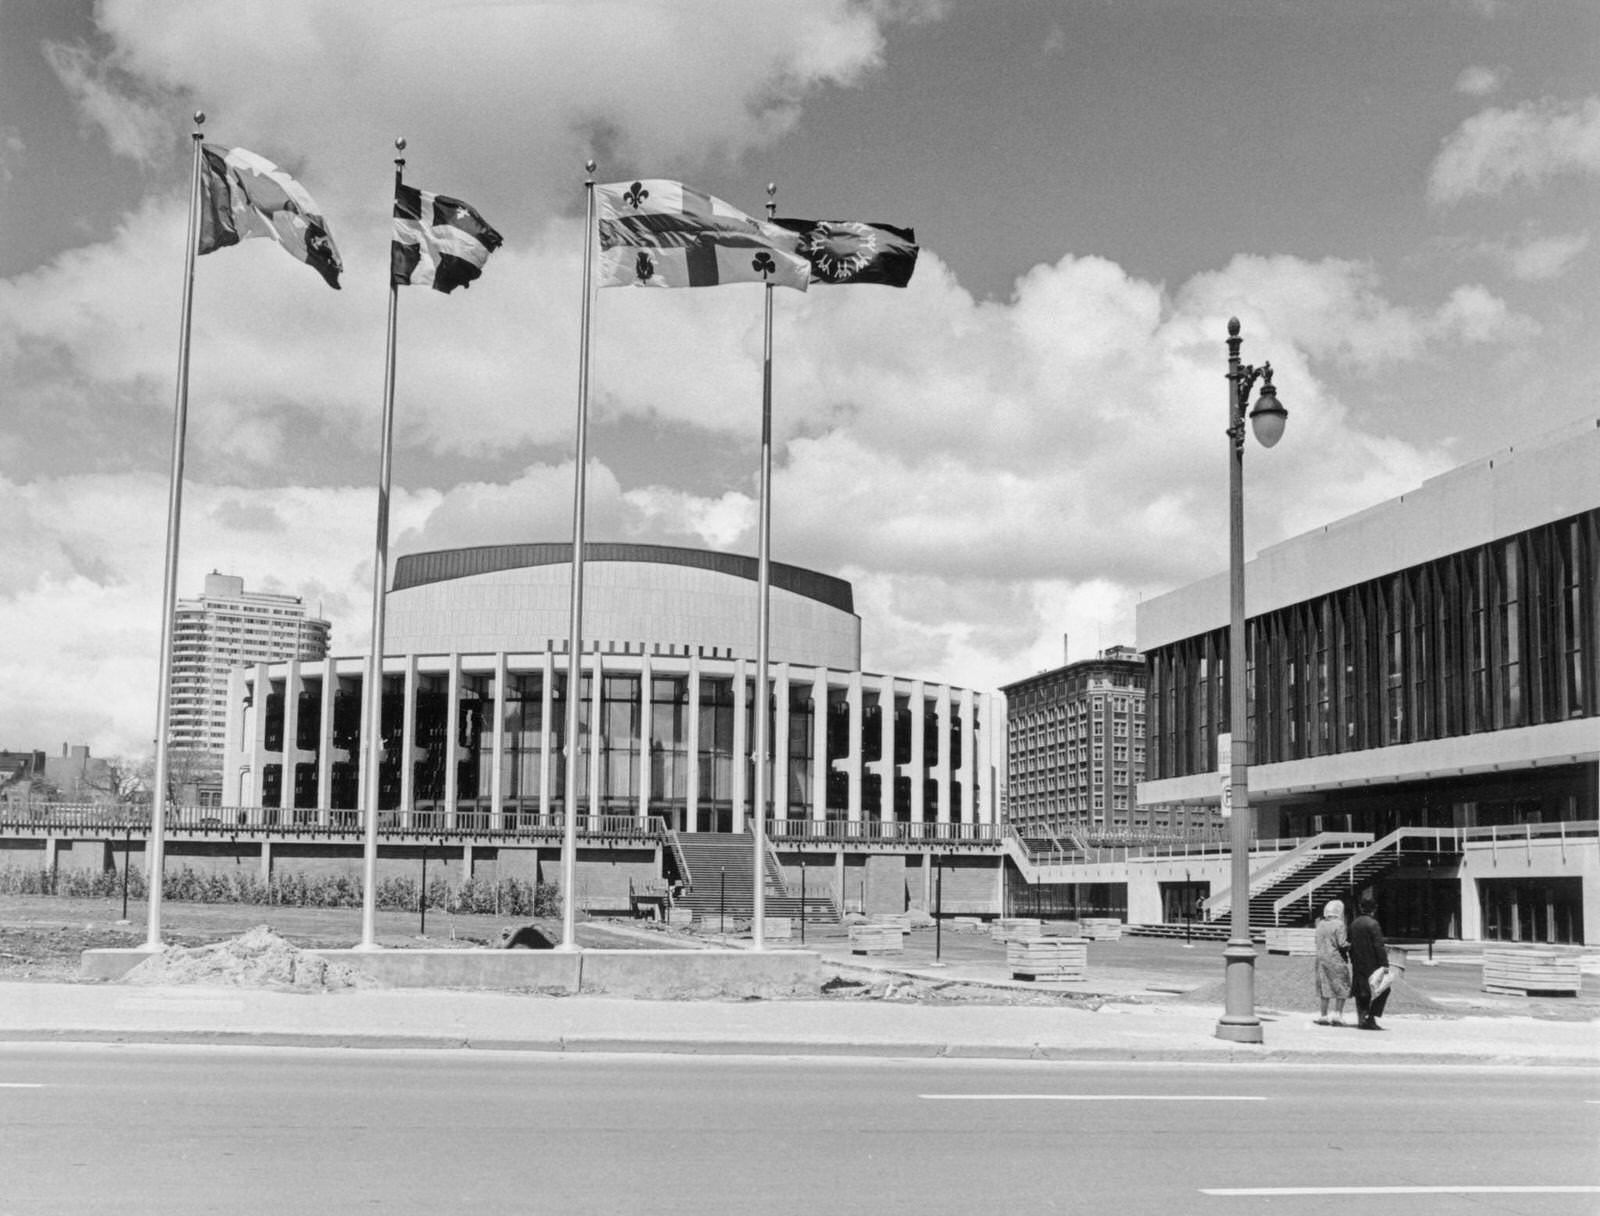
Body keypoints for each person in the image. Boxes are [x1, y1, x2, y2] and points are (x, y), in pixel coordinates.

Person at [1349, 889, 1390, 1030]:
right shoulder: (1373, 924)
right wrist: (1385, 964)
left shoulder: (1354, 923)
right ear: (1374, 909)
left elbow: (1350, 944)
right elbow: (1379, 946)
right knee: (1382, 989)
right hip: (1373, 963)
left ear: (1361, 908)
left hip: (1357, 963)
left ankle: (1361, 1017)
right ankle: (1371, 1017)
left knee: (1361, 991)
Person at [1312, 899, 1351, 1025]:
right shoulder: (1339, 924)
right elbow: (1342, 943)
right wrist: (1352, 945)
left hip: (1321, 959)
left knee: (1324, 986)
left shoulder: (1320, 924)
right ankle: (1337, 1014)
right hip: (1336, 959)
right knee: (1341, 986)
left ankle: (1323, 1015)